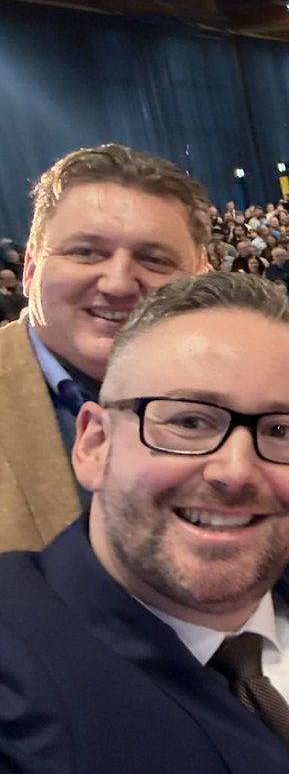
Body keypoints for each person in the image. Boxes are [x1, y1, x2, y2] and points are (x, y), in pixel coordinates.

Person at [0, 273, 289, 773]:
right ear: (95, 444)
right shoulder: (16, 654)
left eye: (282, 429)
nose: (236, 471)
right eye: (189, 421)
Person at [0, 144, 210, 553]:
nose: (117, 284)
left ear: (200, 283)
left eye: (154, 260)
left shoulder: (250, 396)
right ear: (29, 272)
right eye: (85, 253)